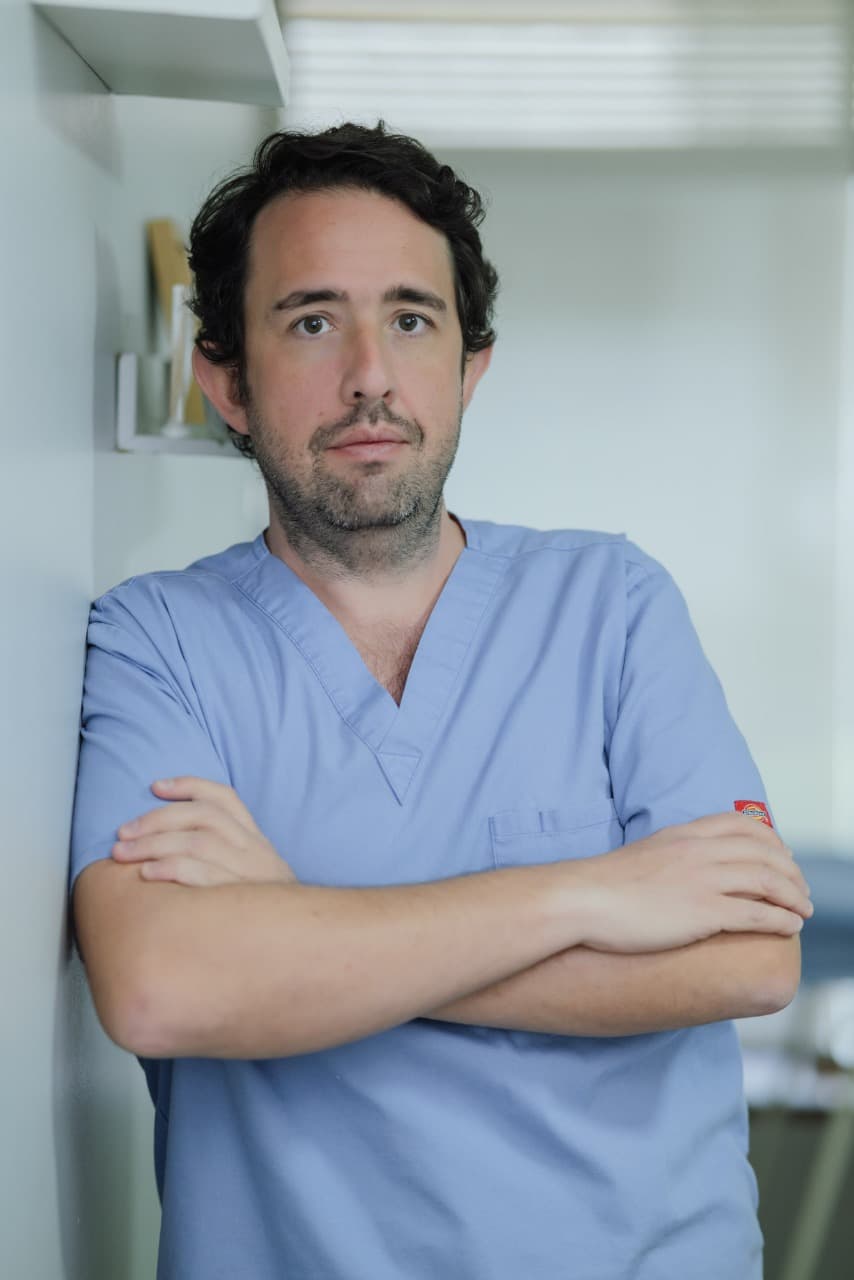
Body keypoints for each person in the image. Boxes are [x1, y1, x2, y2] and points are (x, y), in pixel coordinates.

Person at [70, 122, 811, 1280]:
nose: (369, 371)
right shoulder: (154, 641)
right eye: (310, 320)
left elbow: (749, 957)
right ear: (225, 379)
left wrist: (295, 918)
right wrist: (594, 892)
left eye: (411, 319)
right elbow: (167, 987)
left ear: (469, 367)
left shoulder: (610, 601)